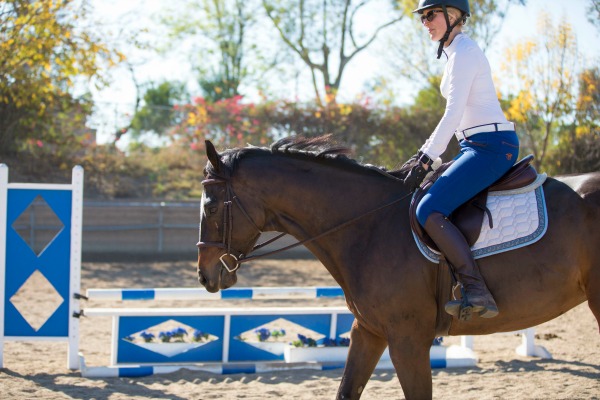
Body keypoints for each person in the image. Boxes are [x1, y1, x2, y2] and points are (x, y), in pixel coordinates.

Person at [403, 0, 520, 319]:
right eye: (422, 18)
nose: (425, 22)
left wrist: (427, 156)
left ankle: (476, 290)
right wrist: (423, 156)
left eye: (430, 15)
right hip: (475, 146)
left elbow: (453, 113)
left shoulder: (465, 53)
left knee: (429, 208)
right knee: (424, 196)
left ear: (453, 16)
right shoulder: (454, 54)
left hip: (492, 146)